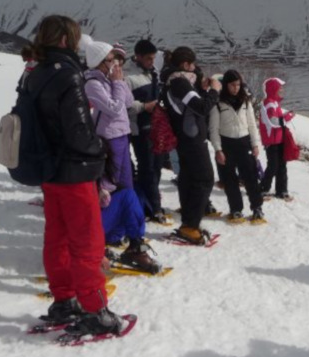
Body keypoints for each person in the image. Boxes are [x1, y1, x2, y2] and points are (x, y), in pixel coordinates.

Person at [21, 15, 127, 336]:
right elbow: (79, 130)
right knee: (87, 243)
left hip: (48, 170)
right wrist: (99, 154)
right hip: (75, 170)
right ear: (67, 40)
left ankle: (64, 300)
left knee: (57, 238)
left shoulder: (34, 73)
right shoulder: (68, 75)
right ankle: (96, 311)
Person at [82, 38, 161, 274]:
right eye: (110, 60)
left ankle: (122, 234)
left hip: (122, 134)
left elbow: (126, 102)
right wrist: (117, 83)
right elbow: (114, 108)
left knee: (127, 185)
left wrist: (119, 81)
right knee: (114, 186)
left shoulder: (110, 80)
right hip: (109, 138)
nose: (115, 63)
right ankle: (112, 234)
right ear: (99, 62)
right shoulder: (92, 84)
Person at [160, 46, 221, 245]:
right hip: (191, 138)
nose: (195, 68)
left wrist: (201, 89)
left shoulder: (177, 81)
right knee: (205, 178)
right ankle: (190, 226)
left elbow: (191, 104)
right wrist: (214, 91)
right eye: (193, 64)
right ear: (185, 65)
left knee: (188, 177)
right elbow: (201, 107)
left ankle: (188, 221)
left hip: (186, 137)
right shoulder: (179, 83)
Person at [209, 70, 265, 223]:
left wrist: (255, 144)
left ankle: (257, 208)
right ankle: (236, 209)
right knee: (230, 180)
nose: (236, 88)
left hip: (244, 142)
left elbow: (252, 125)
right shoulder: (218, 104)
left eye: (238, 85)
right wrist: (218, 150)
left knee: (251, 177)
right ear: (225, 85)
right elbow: (214, 130)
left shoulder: (246, 102)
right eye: (232, 85)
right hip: (226, 144)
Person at [126, 40, 171, 225]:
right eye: (148, 58)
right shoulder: (128, 76)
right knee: (148, 167)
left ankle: (149, 201)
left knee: (157, 165)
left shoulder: (153, 72)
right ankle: (154, 207)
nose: (152, 61)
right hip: (140, 128)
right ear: (137, 56)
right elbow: (124, 105)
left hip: (157, 126)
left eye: (153, 58)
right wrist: (144, 106)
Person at [259, 78, 295, 200]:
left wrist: (285, 115)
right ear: (273, 89)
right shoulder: (269, 103)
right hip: (272, 141)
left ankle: (282, 190)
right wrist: (287, 117)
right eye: (280, 88)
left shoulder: (274, 102)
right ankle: (262, 189)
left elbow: (277, 118)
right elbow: (273, 121)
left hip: (278, 139)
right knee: (273, 166)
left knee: (282, 165)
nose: (282, 90)